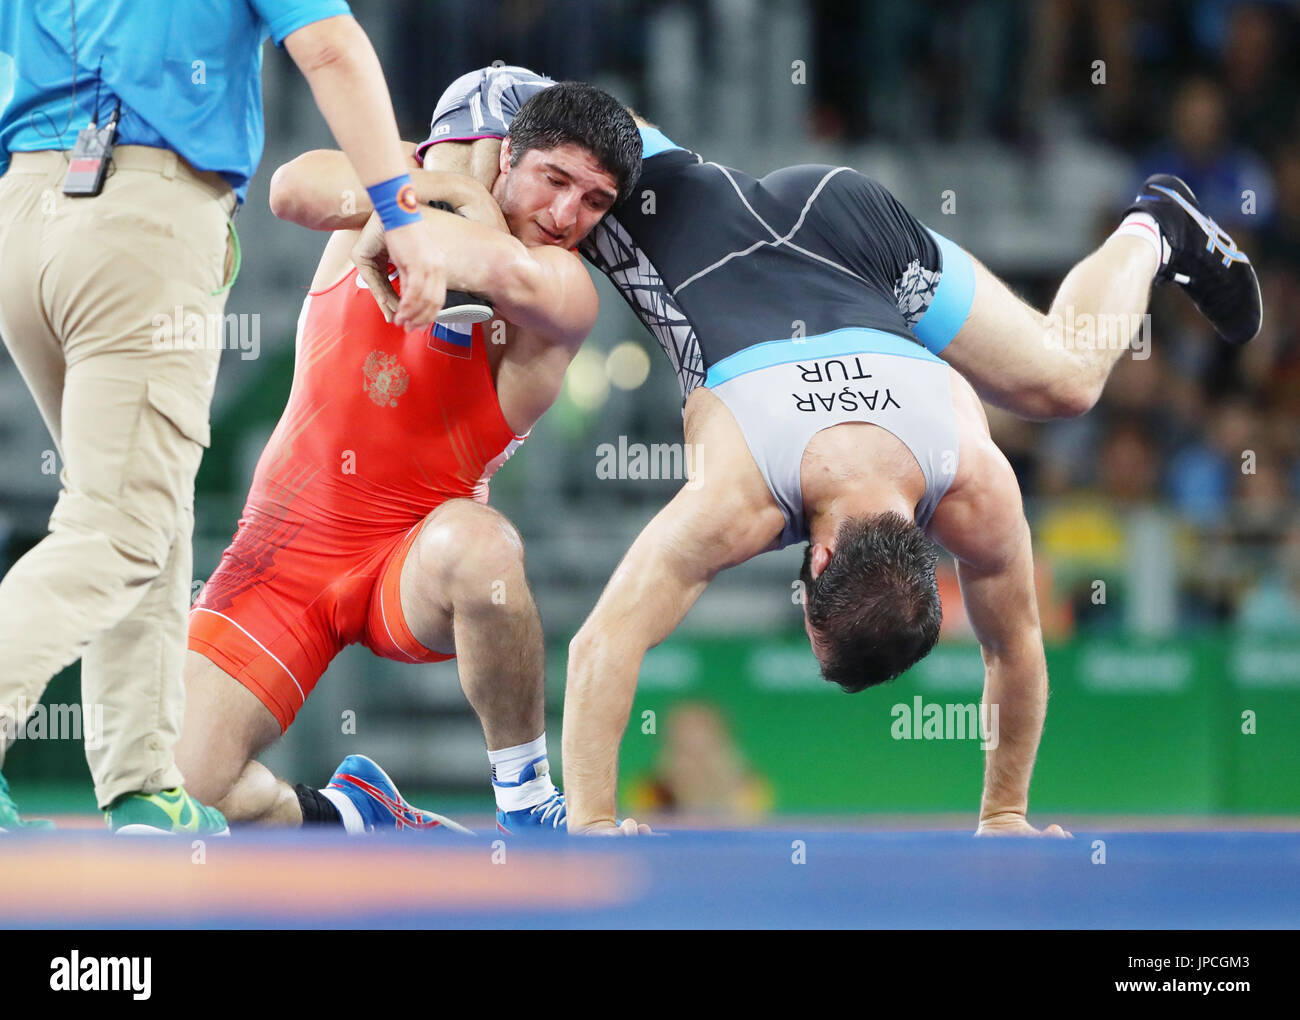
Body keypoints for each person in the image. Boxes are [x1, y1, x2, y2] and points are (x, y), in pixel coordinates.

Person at [277, 65, 1263, 836]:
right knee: (481, 223)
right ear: (819, 564)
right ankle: (403, 209)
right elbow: (601, 645)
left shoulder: (968, 477)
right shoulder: (751, 492)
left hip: (846, 222)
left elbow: (1012, 646)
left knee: (1064, 381)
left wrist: (1008, 814)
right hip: (582, 144)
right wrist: (589, 824)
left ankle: (1154, 226)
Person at [0, 2, 458, 835]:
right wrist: (402, 215)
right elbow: (328, 46)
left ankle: (145, 787)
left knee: (150, 512)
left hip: (26, 208)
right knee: (118, 529)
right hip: (140, 214)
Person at [175, 83, 641, 834]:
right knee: (185, 790)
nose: (564, 218)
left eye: (594, 201)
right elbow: (291, 190)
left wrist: (422, 211)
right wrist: (447, 186)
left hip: (413, 561)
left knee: (483, 546)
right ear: (505, 157)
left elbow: (502, 271)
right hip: (284, 555)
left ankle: (525, 801)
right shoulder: (404, 176)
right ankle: (355, 816)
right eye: (553, 181)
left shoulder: (562, 287)